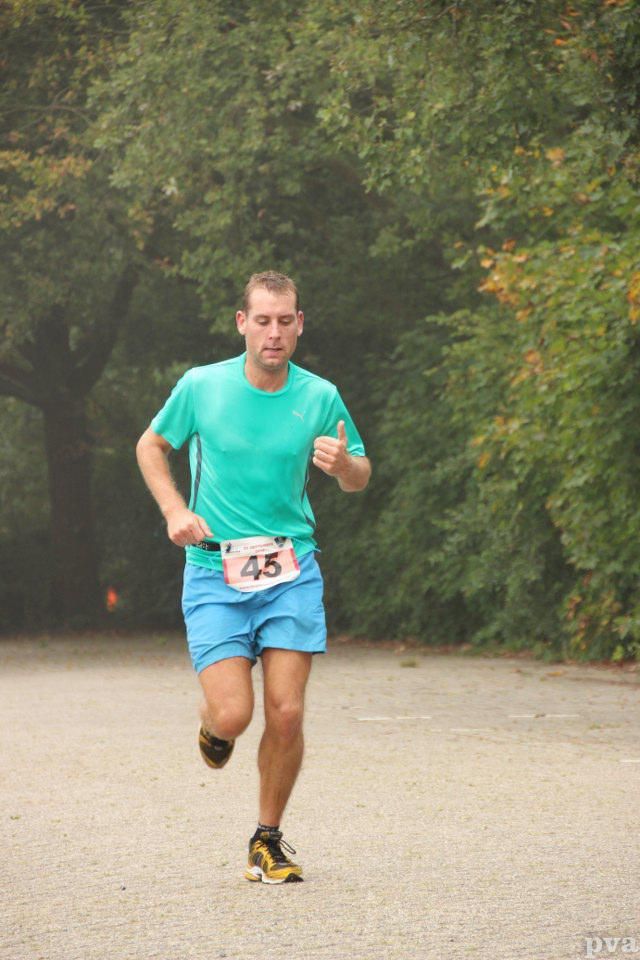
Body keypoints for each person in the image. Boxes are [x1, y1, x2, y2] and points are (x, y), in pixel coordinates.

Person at [136, 270, 371, 884]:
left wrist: (345, 465)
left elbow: (360, 474)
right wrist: (174, 510)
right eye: (262, 320)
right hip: (215, 569)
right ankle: (215, 725)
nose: (274, 332)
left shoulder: (320, 395)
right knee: (236, 716)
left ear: (299, 325)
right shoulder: (202, 387)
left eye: (285, 321)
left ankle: (267, 838)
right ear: (242, 323)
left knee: (287, 712)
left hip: (291, 570)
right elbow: (151, 447)